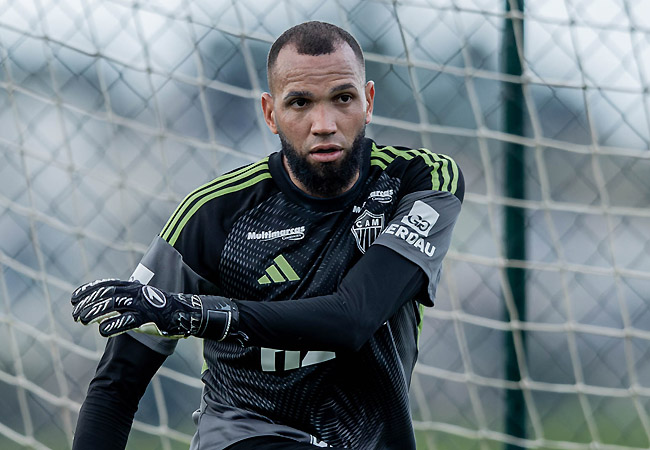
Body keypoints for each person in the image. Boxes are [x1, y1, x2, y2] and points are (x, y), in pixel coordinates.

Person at [70, 21, 464, 450]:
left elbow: (355, 317)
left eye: (343, 98)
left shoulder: (420, 180)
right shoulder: (212, 215)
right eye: (300, 103)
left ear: (367, 102)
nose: (324, 123)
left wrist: (198, 314)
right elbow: (117, 385)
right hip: (246, 436)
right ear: (270, 113)